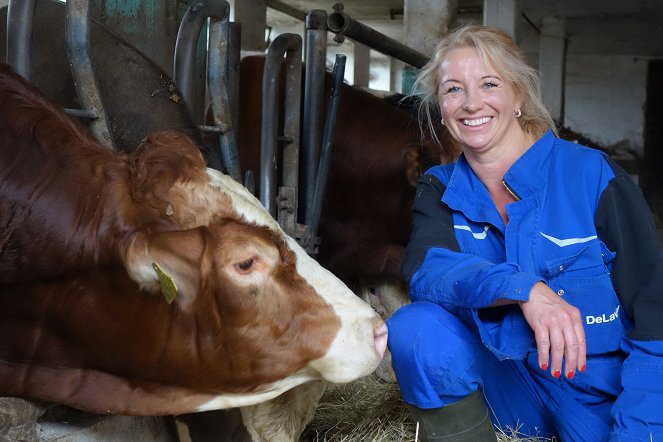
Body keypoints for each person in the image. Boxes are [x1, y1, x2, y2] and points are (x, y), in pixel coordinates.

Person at [386, 24, 663, 442]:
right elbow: (427, 270)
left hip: (599, 401)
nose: (471, 103)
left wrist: (639, 430)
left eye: (489, 84)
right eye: (453, 89)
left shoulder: (593, 175)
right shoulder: (439, 186)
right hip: (507, 390)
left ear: (518, 94)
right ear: (440, 105)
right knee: (415, 328)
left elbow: (655, 315)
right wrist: (525, 289)